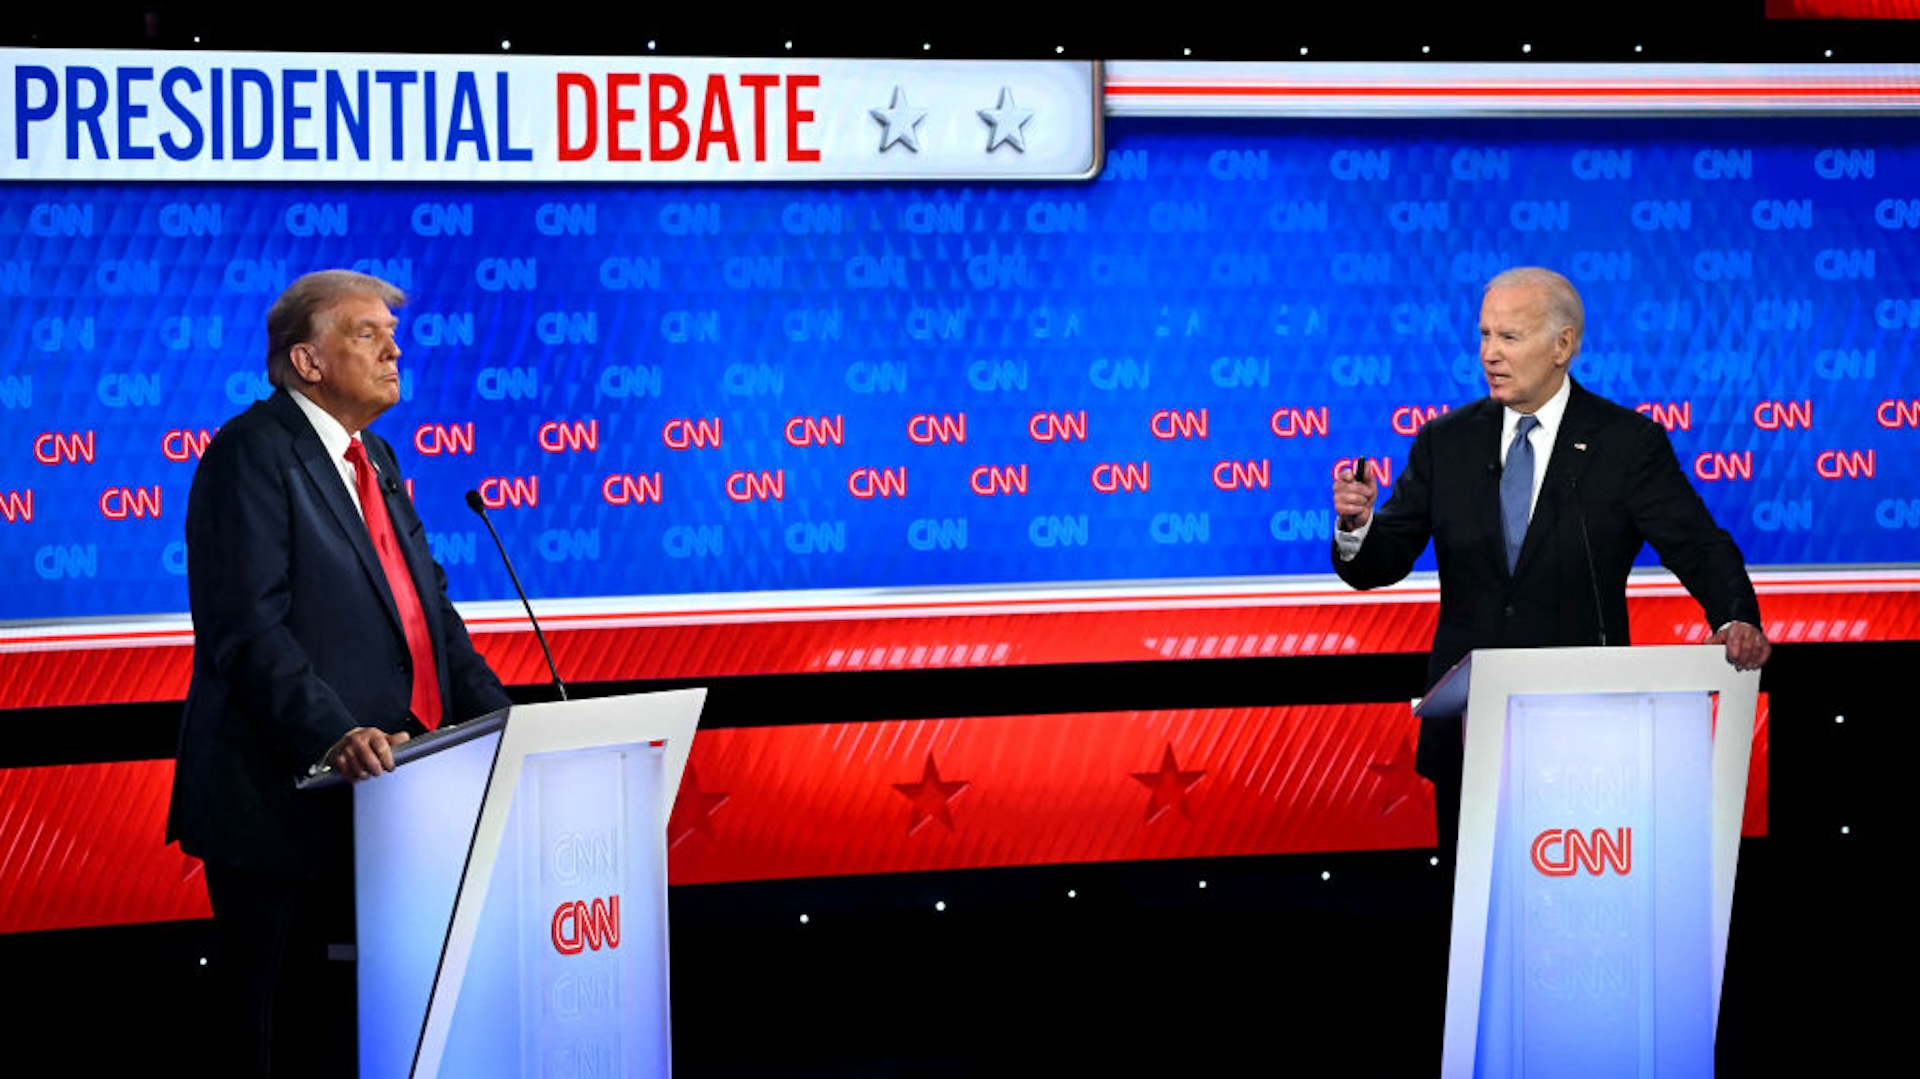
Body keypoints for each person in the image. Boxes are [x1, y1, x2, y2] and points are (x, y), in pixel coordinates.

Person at [166, 270, 512, 1077]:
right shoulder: (251, 452)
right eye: (366, 332)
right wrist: (333, 733)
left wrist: (511, 725)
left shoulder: (377, 458)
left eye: (391, 332)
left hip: (390, 800)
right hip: (283, 804)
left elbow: (430, 620)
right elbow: (245, 629)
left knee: (359, 1036)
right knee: (280, 1036)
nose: (394, 348)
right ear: (307, 360)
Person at [1330, 266, 1771, 857]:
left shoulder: (1625, 443)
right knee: (1472, 925)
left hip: (1583, 728)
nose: (1489, 354)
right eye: (1484, 336)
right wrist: (1359, 526)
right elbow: (1378, 564)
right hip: (1471, 729)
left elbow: (1697, 544)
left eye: (1509, 338)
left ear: (1563, 345)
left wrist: (1733, 616)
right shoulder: (1446, 442)